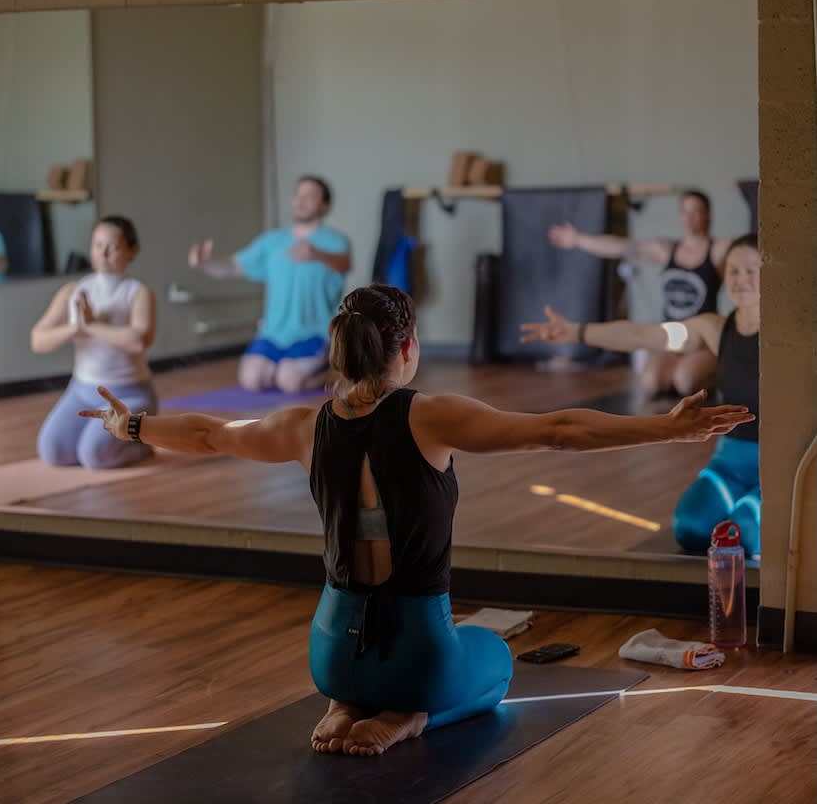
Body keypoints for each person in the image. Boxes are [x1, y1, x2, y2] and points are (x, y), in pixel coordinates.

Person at [82, 284, 752, 757]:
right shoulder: (431, 415)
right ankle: (406, 719)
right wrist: (666, 429)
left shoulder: (300, 426)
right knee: (493, 659)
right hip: (419, 657)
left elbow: (207, 433)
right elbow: (558, 429)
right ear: (404, 348)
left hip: (328, 651)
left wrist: (132, 423)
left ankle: (346, 707)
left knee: (374, 668)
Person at [521, 233, 760, 558]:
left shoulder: (793, 336)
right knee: (690, 527)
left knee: (745, 533)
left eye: (751, 270)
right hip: (729, 461)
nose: (740, 279)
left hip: (778, 465)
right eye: (733, 270)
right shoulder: (714, 329)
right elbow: (645, 335)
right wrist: (577, 332)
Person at [548, 190, 731, 398]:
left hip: (702, 338)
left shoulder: (719, 250)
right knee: (651, 382)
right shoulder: (668, 249)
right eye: (685, 212)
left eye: (696, 212)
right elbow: (624, 247)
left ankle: (713, 373)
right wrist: (578, 239)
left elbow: (750, 251)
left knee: (685, 381)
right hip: (672, 336)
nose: (689, 218)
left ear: (708, 215)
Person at [189, 176, 351, 394]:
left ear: (324, 205)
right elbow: (232, 267)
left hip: (314, 333)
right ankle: (286, 366)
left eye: (310, 196)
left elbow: (345, 264)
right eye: (298, 194)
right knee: (251, 379)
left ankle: (330, 370)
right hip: (273, 333)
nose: (301, 200)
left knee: (289, 381)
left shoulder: (335, 241)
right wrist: (206, 262)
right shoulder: (272, 241)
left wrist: (317, 254)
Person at [31, 215, 157, 470]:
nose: (104, 253)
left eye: (113, 247)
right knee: (53, 451)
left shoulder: (137, 292)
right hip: (81, 392)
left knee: (94, 456)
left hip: (128, 395)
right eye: (98, 245)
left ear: (132, 251)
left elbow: (139, 341)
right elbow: (38, 339)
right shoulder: (73, 291)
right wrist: (75, 328)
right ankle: (106, 438)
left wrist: (93, 326)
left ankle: (142, 445)